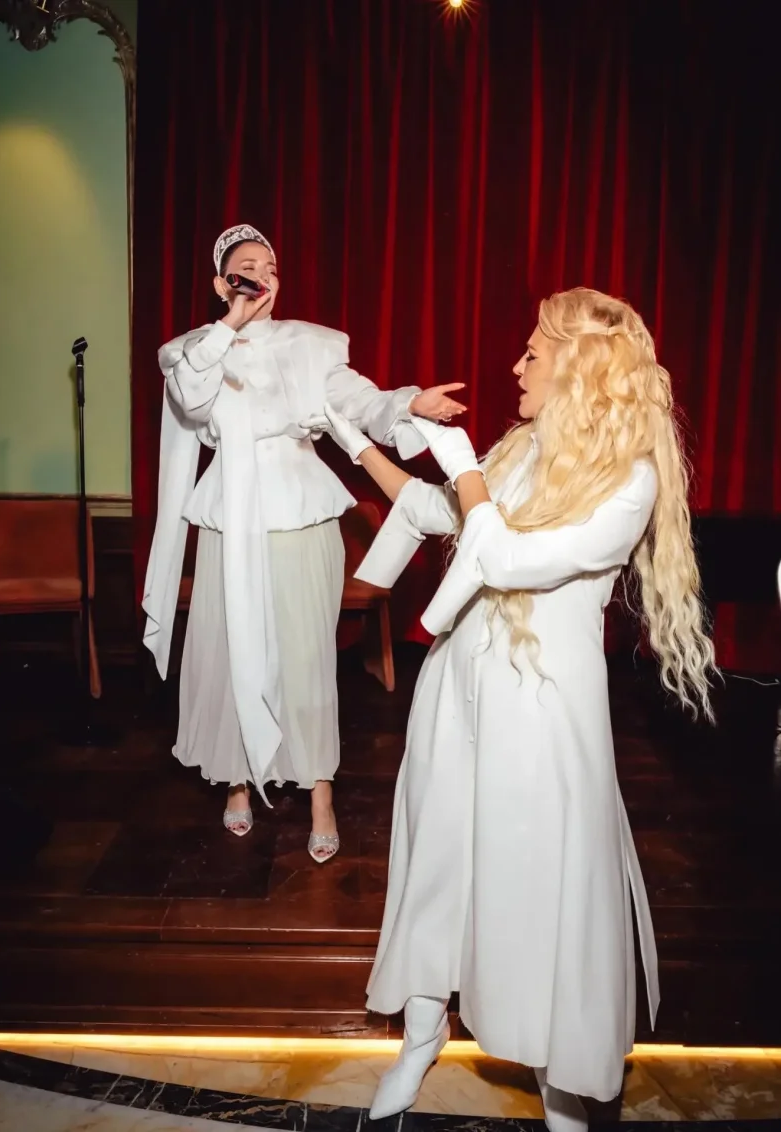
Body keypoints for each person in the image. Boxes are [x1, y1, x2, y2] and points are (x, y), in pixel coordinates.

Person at [319, 287, 716, 1126]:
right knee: (436, 862)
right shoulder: (523, 447)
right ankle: (421, 1033)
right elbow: (436, 510)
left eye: (533, 352)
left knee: (537, 887)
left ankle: (563, 1084)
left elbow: (502, 556)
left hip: (538, 715)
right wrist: (352, 440)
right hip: (456, 690)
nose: (515, 365)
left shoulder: (629, 481)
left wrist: (464, 466)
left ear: (579, 367)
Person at [142, 223, 466, 863]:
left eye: (270, 266)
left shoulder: (313, 344)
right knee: (229, 647)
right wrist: (230, 327)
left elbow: (362, 402)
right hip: (229, 518)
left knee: (305, 658)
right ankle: (236, 782)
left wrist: (409, 405)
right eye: (247, 266)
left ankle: (320, 794)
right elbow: (193, 402)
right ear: (223, 283)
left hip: (301, 512)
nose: (263, 274)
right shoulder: (192, 351)